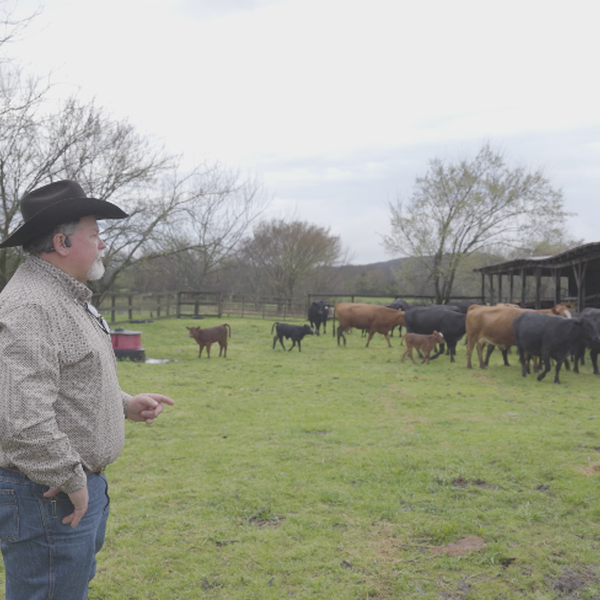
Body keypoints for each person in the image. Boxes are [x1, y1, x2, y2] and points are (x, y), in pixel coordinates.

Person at [0, 180, 174, 600]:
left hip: (67, 490)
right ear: (61, 242)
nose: (102, 245)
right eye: (95, 235)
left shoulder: (65, 298)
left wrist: (126, 404)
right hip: (48, 494)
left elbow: (68, 381)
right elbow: (20, 417)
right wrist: (72, 481)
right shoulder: (31, 306)